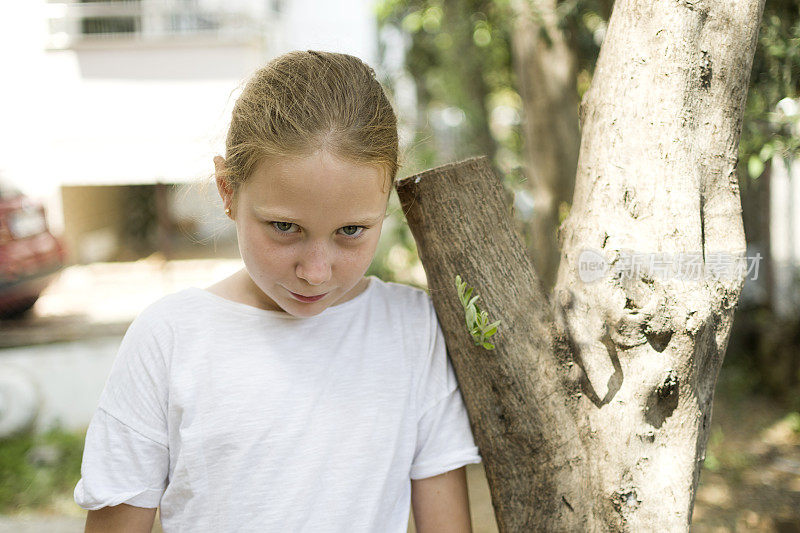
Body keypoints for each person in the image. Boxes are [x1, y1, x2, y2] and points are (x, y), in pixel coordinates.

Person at [73, 50, 482, 532]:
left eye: (351, 231)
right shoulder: (169, 339)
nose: (315, 271)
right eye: (284, 226)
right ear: (227, 190)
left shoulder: (414, 330)